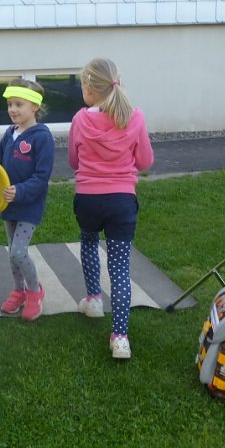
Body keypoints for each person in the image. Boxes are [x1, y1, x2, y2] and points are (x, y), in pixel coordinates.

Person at [68, 58, 154, 360]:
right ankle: (120, 338)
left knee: (89, 242)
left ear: (90, 88)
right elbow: (144, 162)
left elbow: (73, 161)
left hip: (88, 199)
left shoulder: (80, 119)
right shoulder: (135, 117)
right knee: (119, 268)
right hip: (121, 201)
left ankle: (92, 300)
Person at [0, 79, 54, 321]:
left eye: (18, 104)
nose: (12, 109)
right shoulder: (9, 133)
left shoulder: (42, 137)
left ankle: (35, 292)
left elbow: (42, 177)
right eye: (10, 104)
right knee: (11, 252)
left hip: (29, 204)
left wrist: (20, 191)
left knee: (19, 251)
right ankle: (18, 290)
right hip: (8, 203)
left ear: (35, 107)